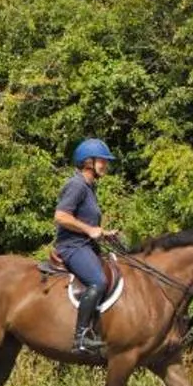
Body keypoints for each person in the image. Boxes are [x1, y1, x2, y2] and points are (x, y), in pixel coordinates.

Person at [54, 139, 122, 355]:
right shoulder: (77, 185)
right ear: (88, 162)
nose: (106, 165)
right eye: (102, 161)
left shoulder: (90, 188)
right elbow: (61, 216)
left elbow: (87, 222)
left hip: (85, 245)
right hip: (72, 246)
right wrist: (90, 230)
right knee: (98, 281)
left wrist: (103, 233)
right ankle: (81, 337)